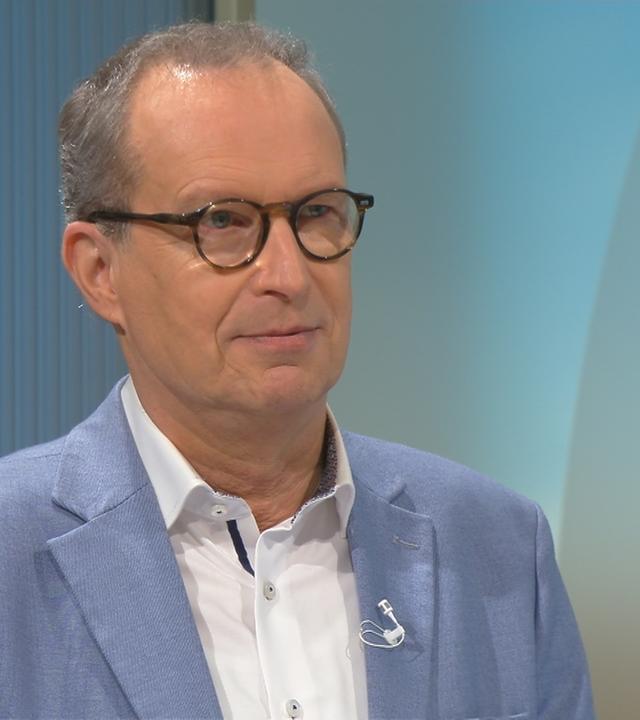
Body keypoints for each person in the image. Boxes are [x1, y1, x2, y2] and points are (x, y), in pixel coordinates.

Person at [0, 21, 594, 720]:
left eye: (315, 213)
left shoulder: (499, 547)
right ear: (100, 271)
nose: (288, 274)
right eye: (223, 222)